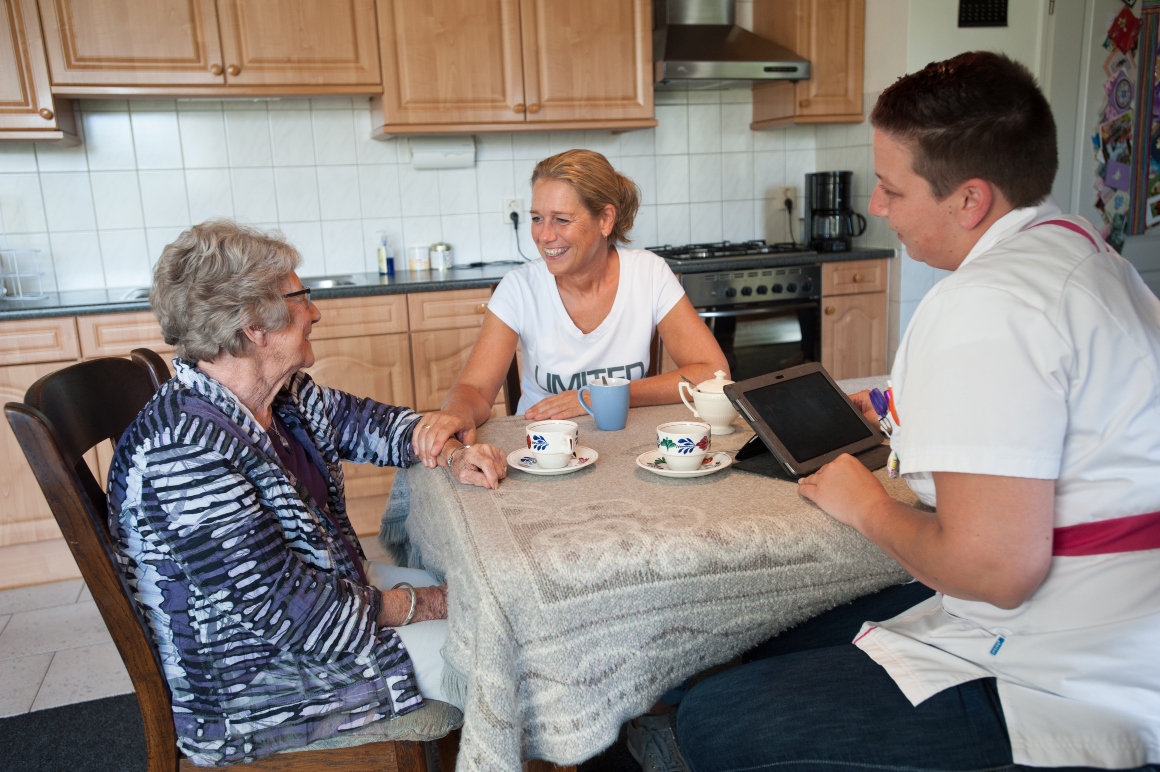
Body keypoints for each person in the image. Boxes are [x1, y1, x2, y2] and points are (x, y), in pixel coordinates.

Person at [677, 52, 1160, 771]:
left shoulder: (986, 305)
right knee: (763, 641)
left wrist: (866, 505)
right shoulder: (1085, 252)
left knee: (713, 719)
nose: (876, 205)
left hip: (1066, 679)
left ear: (969, 201)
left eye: (892, 188)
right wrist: (900, 421)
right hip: (1119, 628)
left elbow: (995, 569)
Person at [106, 220, 508, 765]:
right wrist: (429, 604)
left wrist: (451, 449)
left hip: (329, 601)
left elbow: (371, 425)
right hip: (261, 677)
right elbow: (292, 612)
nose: (314, 312)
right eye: (300, 299)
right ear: (254, 324)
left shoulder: (280, 396)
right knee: (500, 651)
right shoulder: (183, 453)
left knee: (496, 604)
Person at [411, 149, 729, 464]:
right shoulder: (520, 287)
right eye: (537, 218)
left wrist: (599, 397)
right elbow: (475, 389)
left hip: (627, 449)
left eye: (561, 220)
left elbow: (711, 373)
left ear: (605, 219)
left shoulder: (648, 274)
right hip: (543, 455)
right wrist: (455, 413)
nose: (544, 235)